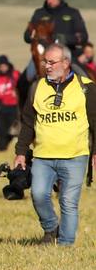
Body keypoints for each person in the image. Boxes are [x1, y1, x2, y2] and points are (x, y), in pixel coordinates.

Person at [12, 44, 96, 246]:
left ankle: (66, 245)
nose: (46, 66)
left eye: (51, 62)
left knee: (68, 201)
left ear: (66, 63)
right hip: (43, 156)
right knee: (39, 194)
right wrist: (21, 152)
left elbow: (95, 122)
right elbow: (27, 123)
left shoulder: (87, 88)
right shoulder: (37, 87)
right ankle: (51, 228)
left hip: (75, 156)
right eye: (45, 62)